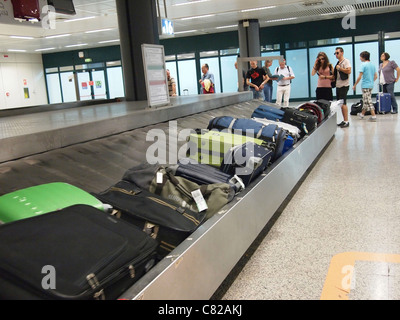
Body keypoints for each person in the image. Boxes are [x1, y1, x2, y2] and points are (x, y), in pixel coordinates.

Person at [353, 51, 378, 121]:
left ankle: (373, 116)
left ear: (363, 57)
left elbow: (359, 77)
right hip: (371, 85)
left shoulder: (363, 65)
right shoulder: (372, 65)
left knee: (368, 101)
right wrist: (371, 81)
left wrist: (355, 84)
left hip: (365, 86)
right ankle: (362, 114)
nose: (360, 58)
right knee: (365, 100)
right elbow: (376, 76)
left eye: (360, 57)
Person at [334, 47, 352, 128]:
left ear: (342, 53)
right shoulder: (338, 62)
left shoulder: (346, 61)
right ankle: (344, 120)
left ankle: (346, 121)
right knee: (341, 104)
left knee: (343, 103)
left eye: (337, 53)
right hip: (338, 85)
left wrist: (340, 68)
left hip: (344, 85)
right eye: (335, 53)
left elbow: (349, 71)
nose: (336, 55)